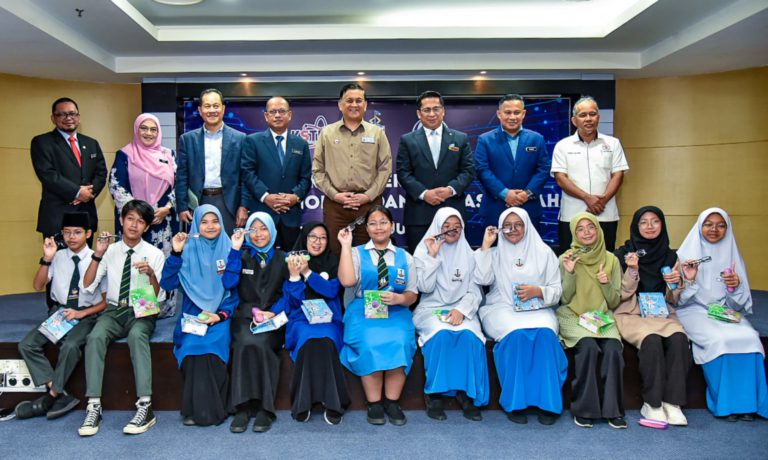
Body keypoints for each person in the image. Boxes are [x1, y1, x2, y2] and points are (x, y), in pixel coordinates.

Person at [78, 200, 166, 436]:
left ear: (147, 227)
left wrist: (150, 275)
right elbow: (87, 286)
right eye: (130, 219)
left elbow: (158, 298)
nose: (134, 225)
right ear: (121, 220)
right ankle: (93, 405)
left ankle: (145, 405)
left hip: (142, 309)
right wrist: (97, 254)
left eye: (140, 221)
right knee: (95, 337)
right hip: (114, 309)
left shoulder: (155, 254)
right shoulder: (110, 251)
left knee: (137, 336)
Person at [474, 207, 566, 425]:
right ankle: (516, 402)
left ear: (527, 226)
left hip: (538, 308)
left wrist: (538, 291)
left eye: (518, 225)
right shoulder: (494, 253)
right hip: (501, 308)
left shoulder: (544, 253)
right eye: (507, 226)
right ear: (500, 228)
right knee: (516, 335)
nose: (513, 229)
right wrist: (485, 247)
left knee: (544, 334)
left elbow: (556, 291)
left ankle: (548, 402)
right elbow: (482, 279)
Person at [675, 208, 768, 420]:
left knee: (750, 338)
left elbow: (739, 304)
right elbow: (678, 300)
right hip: (692, 310)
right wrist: (690, 280)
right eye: (708, 224)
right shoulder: (684, 256)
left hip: (724, 309)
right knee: (720, 339)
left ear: (727, 228)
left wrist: (733, 288)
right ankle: (726, 404)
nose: (714, 229)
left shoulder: (732, 254)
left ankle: (750, 405)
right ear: (699, 227)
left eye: (720, 225)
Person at [15, 212, 106, 421]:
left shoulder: (98, 259)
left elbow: (105, 303)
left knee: (71, 346)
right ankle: (59, 393)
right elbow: (38, 286)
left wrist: (81, 313)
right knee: (27, 345)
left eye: (77, 232)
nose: (71, 237)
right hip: (60, 314)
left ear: (88, 233)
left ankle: (51, 397)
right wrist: (47, 259)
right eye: (66, 232)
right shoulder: (57, 256)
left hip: (86, 314)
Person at [338, 205, 417, 425]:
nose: (378, 227)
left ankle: (392, 402)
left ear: (392, 226)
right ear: (367, 228)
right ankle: (374, 403)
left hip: (396, 311)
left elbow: (412, 294)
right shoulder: (356, 252)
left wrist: (399, 299)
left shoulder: (405, 257)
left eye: (383, 222)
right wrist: (345, 245)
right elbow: (347, 281)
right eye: (373, 223)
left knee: (400, 341)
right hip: (362, 310)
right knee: (369, 342)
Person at [159, 205, 237, 426]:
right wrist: (176, 253)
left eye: (215, 221)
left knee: (213, 349)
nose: (210, 226)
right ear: (196, 225)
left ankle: (213, 410)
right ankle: (195, 409)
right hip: (193, 314)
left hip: (221, 314)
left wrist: (220, 315)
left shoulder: (230, 248)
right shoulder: (187, 249)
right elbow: (167, 283)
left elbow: (235, 291)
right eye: (204, 222)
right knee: (192, 348)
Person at [613, 206, 691, 425]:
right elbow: (619, 295)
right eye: (643, 222)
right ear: (635, 226)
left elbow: (673, 298)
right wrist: (632, 270)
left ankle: (673, 402)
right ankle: (652, 403)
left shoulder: (671, 256)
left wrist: (677, 282)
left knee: (679, 339)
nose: (649, 226)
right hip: (631, 313)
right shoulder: (622, 254)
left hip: (661, 313)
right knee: (652, 340)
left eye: (655, 221)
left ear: (662, 225)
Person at [413, 207, 488, 421]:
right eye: (446, 226)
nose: (452, 230)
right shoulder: (422, 251)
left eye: (457, 226)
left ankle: (467, 394)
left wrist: (461, 310)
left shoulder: (470, 254)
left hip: (462, 309)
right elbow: (424, 288)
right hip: (430, 309)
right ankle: (434, 395)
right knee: (441, 334)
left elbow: (475, 292)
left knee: (469, 336)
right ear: (437, 228)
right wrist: (432, 256)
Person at [556, 212, 626, 429]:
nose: (586, 232)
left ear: (599, 229)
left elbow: (614, 301)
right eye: (580, 229)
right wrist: (570, 273)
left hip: (600, 316)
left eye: (591, 227)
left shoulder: (611, 259)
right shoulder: (566, 258)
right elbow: (564, 299)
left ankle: (613, 410)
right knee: (587, 347)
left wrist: (605, 283)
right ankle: (585, 409)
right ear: (573, 233)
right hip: (573, 315)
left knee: (613, 349)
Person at [222, 212, 289, 433]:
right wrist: (234, 250)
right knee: (243, 343)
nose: (259, 234)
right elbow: (228, 282)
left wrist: (273, 313)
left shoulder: (283, 258)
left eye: (264, 228)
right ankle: (242, 407)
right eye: (253, 229)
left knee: (262, 344)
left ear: (273, 231)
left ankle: (264, 408)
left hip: (273, 318)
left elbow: (289, 294)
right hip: (245, 317)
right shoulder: (241, 256)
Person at [280, 222, 350, 424]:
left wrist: (308, 273)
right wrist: (295, 277)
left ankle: (333, 402)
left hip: (329, 319)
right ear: (304, 239)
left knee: (326, 340)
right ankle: (303, 403)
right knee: (308, 340)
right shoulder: (291, 261)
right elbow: (292, 302)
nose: (317, 242)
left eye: (323, 237)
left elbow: (331, 290)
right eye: (312, 237)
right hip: (301, 319)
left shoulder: (334, 262)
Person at [312, 83, 392, 253]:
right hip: (336, 206)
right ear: (340, 105)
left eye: (358, 100)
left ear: (365, 105)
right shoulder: (327, 133)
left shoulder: (377, 133)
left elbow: (385, 168)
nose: (354, 104)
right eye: (349, 101)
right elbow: (318, 170)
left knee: (369, 253)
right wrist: (335, 195)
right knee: (335, 253)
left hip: (369, 206)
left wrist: (367, 196)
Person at [396, 91, 475, 254]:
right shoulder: (407, 140)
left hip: (452, 213)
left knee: (454, 262)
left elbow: (468, 171)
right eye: (427, 110)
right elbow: (403, 173)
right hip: (419, 215)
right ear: (419, 113)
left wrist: (450, 190)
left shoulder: (460, 138)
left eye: (436, 109)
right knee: (420, 262)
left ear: (443, 111)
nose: (432, 114)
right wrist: (424, 194)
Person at [551, 96, 629, 253]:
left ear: (598, 118)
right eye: (583, 115)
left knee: (605, 259)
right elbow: (560, 178)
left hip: (605, 213)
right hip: (572, 215)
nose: (588, 119)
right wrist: (587, 198)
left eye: (592, 114)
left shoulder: (613, 143)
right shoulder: (562, 145)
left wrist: (602, 201)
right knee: (572, 259)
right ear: (574, 121)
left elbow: (618, 175)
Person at [30, 97, 107, 240]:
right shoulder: (42, 142)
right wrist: (77, 192)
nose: (68, 118)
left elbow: (101, 173)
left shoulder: (91, 143)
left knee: (87, 255)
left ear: (79, 117)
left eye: (72, 113)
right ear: (53, 118)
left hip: (86, 216)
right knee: (57, 255)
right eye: (62, 114)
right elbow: (48, 175)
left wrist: (88, 193)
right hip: (57, 218)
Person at [241, 96, 312, 250]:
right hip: (262, 213)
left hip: (290, 215)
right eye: (273, 112)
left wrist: (294, 197)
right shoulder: (252, 141)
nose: (278, 115)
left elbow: (306, 178)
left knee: (292, 259)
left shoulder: (301, 144)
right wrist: (266, 197)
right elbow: (247, 173)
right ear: (266, 116)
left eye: (282, 111)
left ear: (290, 115)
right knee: (262, 260)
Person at [176, 88, 247, 235]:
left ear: (223, 109)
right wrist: (182, 207)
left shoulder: (240, 138)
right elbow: (182, 176)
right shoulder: (187, 139)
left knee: (229, 245)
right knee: (199, 245)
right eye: (207, 106)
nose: (212, 110)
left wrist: (243, 206)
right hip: (198, 202)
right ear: (200, 110)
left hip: (229, 203)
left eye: (216, 106)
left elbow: (245, 177)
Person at [474, 94, 551, 229]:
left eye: (516, 112)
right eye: (507, 112)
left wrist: (526, 194)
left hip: (529, 207)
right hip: (495, 208)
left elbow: (543, 170)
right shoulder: (485, 140)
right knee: (493, 244)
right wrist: (505, 193)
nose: (512, 117)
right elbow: (482, 170)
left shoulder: (536, 139)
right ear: (499, 114)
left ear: (523, 114)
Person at [109, 113, 177, 258]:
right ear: (136, 130)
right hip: (134, 220)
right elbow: (116, 185)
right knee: (132, 261)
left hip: (162, 217)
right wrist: (140, 214)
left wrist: (168, 207)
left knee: (161, 263)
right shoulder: (125, 154)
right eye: (144, 128)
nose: (149, 133)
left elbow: (180, 184)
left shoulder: (169, 155)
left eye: (153, 129)